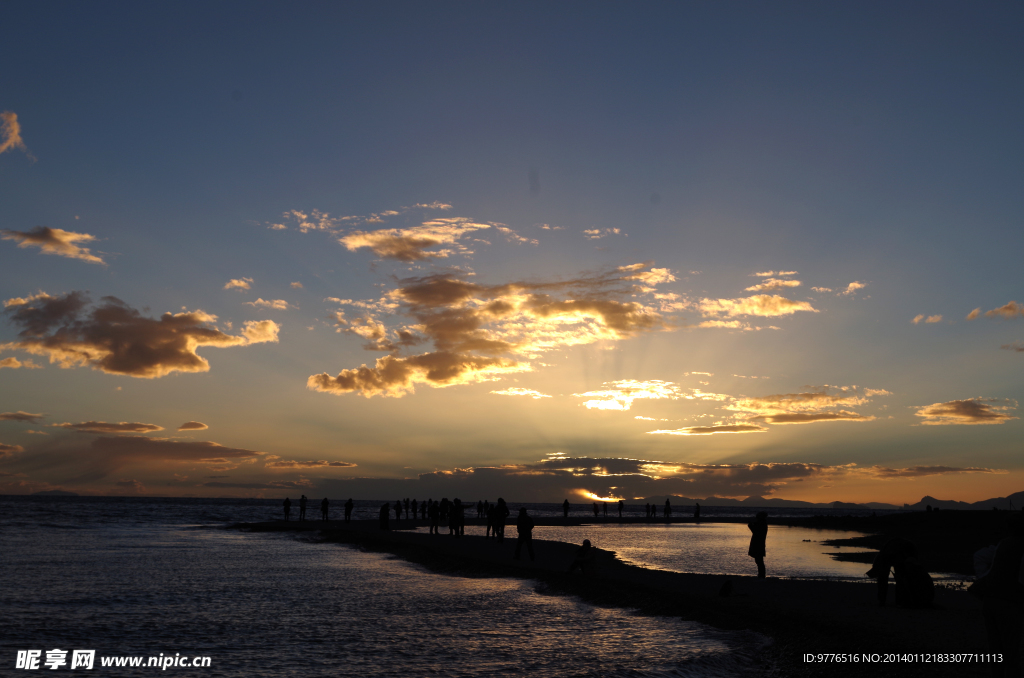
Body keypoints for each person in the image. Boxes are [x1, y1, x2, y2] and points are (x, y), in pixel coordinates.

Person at [975, 520, 1024, 676]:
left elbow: (979, 556)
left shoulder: (1003, 545)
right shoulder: (1018, 546)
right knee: (1012, 650)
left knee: (996, 648)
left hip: (991, 599)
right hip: (1009, 602)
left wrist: (985, 578)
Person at [748, 511, 768, 578]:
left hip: (758, 544)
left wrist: (750, 526)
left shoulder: (761, 524)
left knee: (759, 561)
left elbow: (756, 532)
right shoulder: (762, 523)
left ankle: (761, 576)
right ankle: (761, 575)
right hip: (759, 543)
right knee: (759, 560)